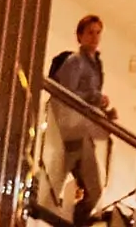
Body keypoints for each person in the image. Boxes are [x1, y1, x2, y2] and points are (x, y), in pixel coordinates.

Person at [49, 16, 116, 223]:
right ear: (80, 36)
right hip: (71, 131)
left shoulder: (96, 65)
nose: (95, 37)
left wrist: (103, 112)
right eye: (90, 32)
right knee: (54, 185)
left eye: (98, 32)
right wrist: (94, 98)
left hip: (82, 131)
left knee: (91, 190)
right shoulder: (75, 61)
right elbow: (67, 94)